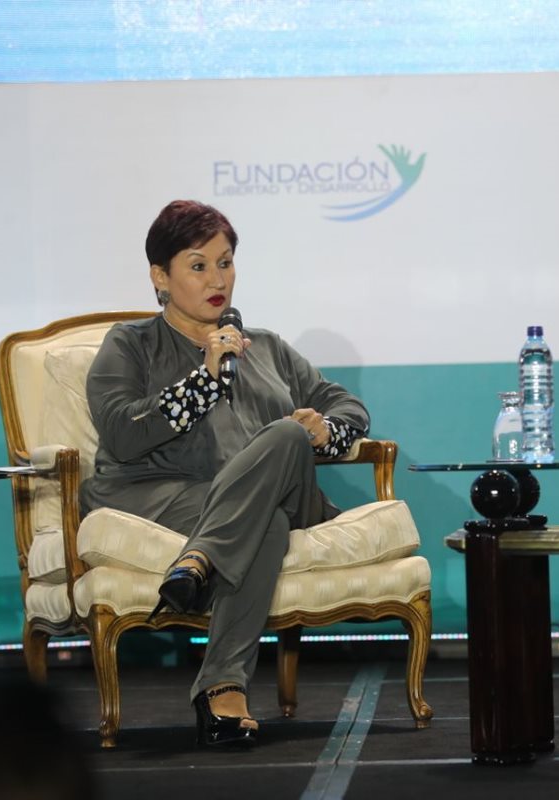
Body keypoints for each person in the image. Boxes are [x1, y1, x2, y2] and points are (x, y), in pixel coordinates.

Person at [81, 200, 368, 747]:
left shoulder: (269, 349)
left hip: (256, 496)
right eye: (198, 265)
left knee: (285, 435)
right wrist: (204, 380)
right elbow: (121, 432)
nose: (218, 280)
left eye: (226, 262)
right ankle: (222, 690)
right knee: (268, 526)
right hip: (160, 495)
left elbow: (348, 407)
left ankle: (201, 558)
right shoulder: (131, 343)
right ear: (160, 276)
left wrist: (323, 431)